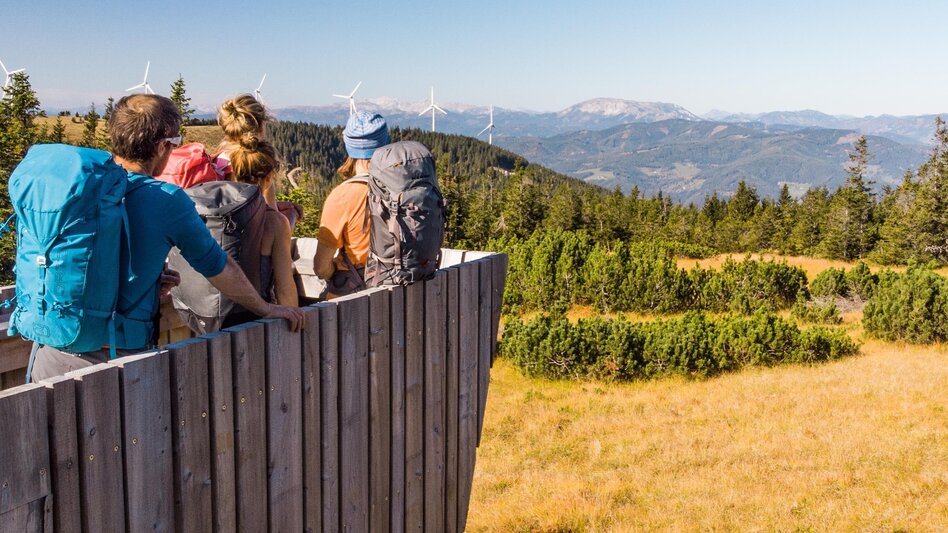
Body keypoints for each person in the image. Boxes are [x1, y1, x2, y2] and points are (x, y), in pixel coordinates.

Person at [29, 94, 304, 381]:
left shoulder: (90, 186)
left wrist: (148, 283)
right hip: (114, 361)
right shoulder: (164, 200)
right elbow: (217, 265)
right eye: (175, 143)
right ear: (161, 147)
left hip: (49, 350)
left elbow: (92, 258)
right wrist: (267, 308)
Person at [314, 111, 390, 297]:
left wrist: (337, 274)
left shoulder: (343, 196)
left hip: (352, 300)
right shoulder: (403, 187)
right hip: (401, 292)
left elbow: (321, 267)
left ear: (349, 147)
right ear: (386, 143)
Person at [216, 94, 302, 228]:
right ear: (261, 125)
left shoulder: (216, 163)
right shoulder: (257, 163)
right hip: (248, 243)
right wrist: (291, 216)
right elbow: (271, 223)